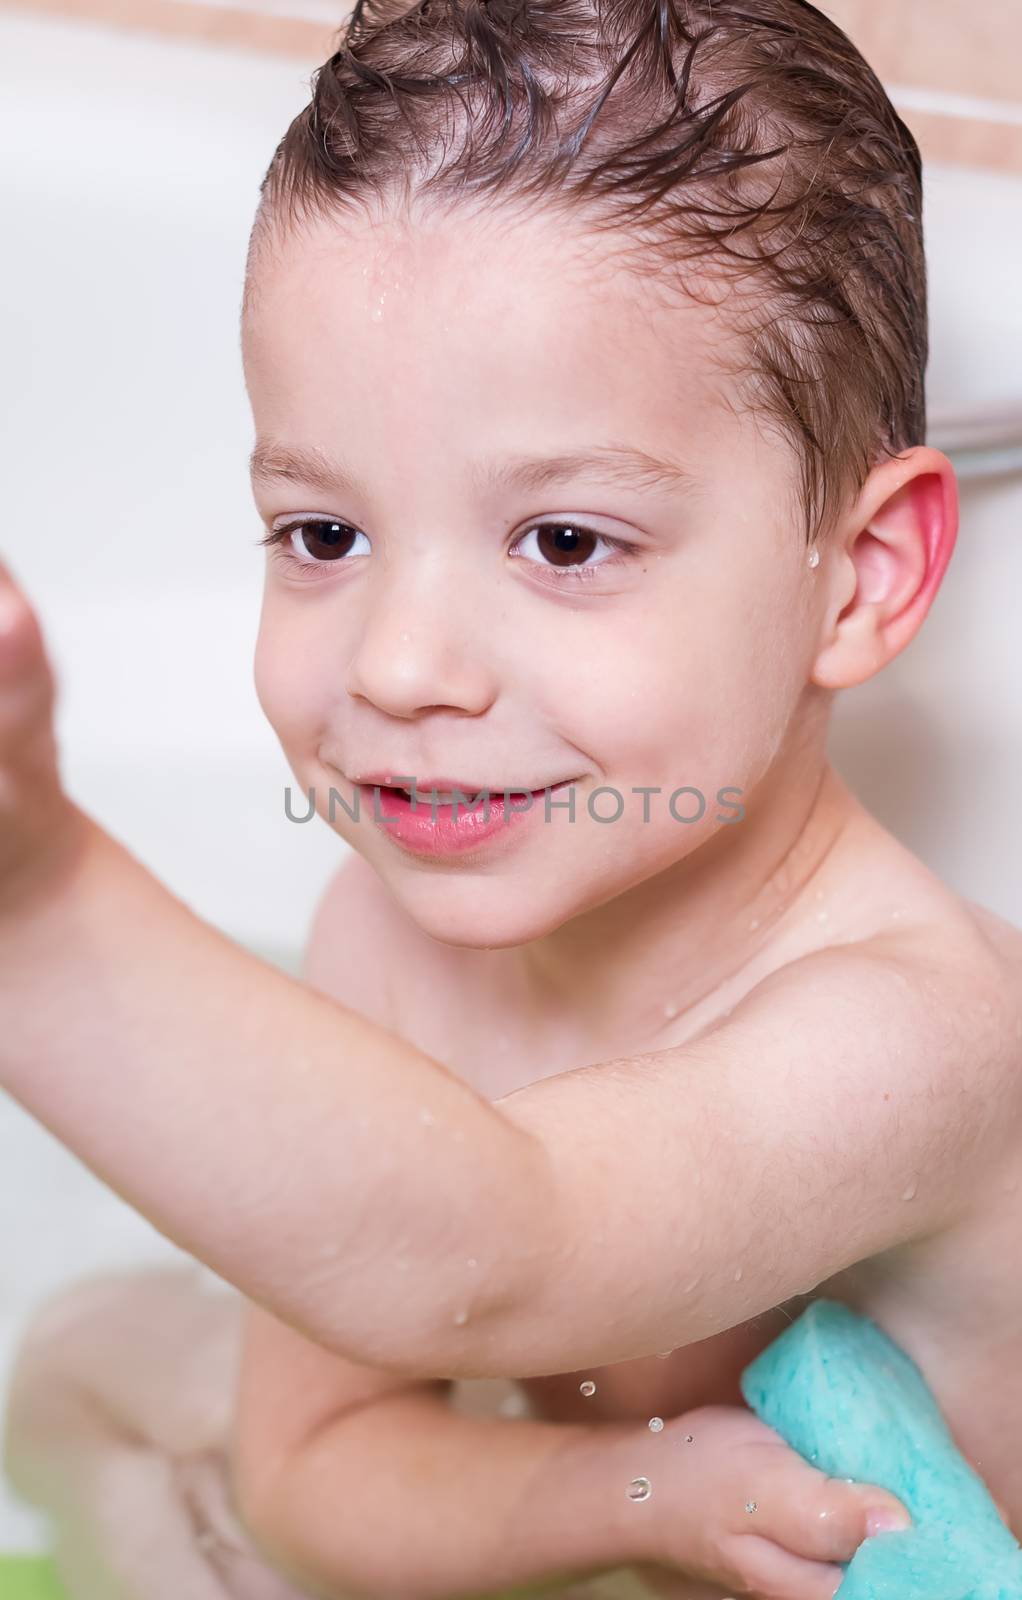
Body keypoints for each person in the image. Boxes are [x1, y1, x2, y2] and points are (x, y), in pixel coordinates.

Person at [2, 0, 1021, 1595]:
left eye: (563, 543)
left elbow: (499, 1249)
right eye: (322, 536)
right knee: (78, 1360)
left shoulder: (916, 1034)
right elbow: (309, 1466)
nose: (400, 666)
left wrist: (38, 907)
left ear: (857, 578)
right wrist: (635, 1494)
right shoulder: (390, 935)